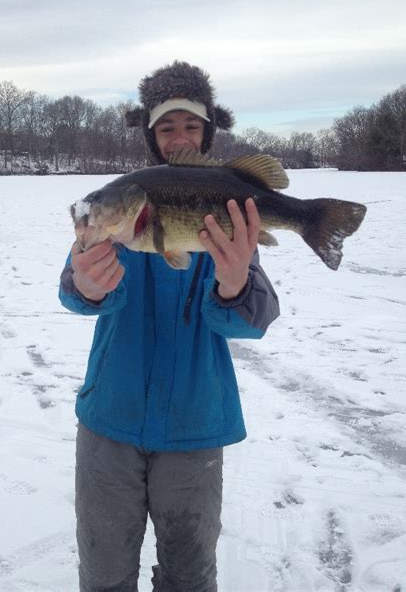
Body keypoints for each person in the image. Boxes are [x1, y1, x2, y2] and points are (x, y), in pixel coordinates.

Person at [59, 61, 280, 592]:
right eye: (166, 127)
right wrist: (86, 287)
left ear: (208, 133)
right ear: (151, 138)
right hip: (110, 417)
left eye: (191, 126)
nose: (179, 137)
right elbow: (74, 288)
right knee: (104, 569)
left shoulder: (221, 207)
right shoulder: (121, 211)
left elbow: (258, 317)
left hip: (195, 423)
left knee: (189, 574)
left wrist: (232, 284)